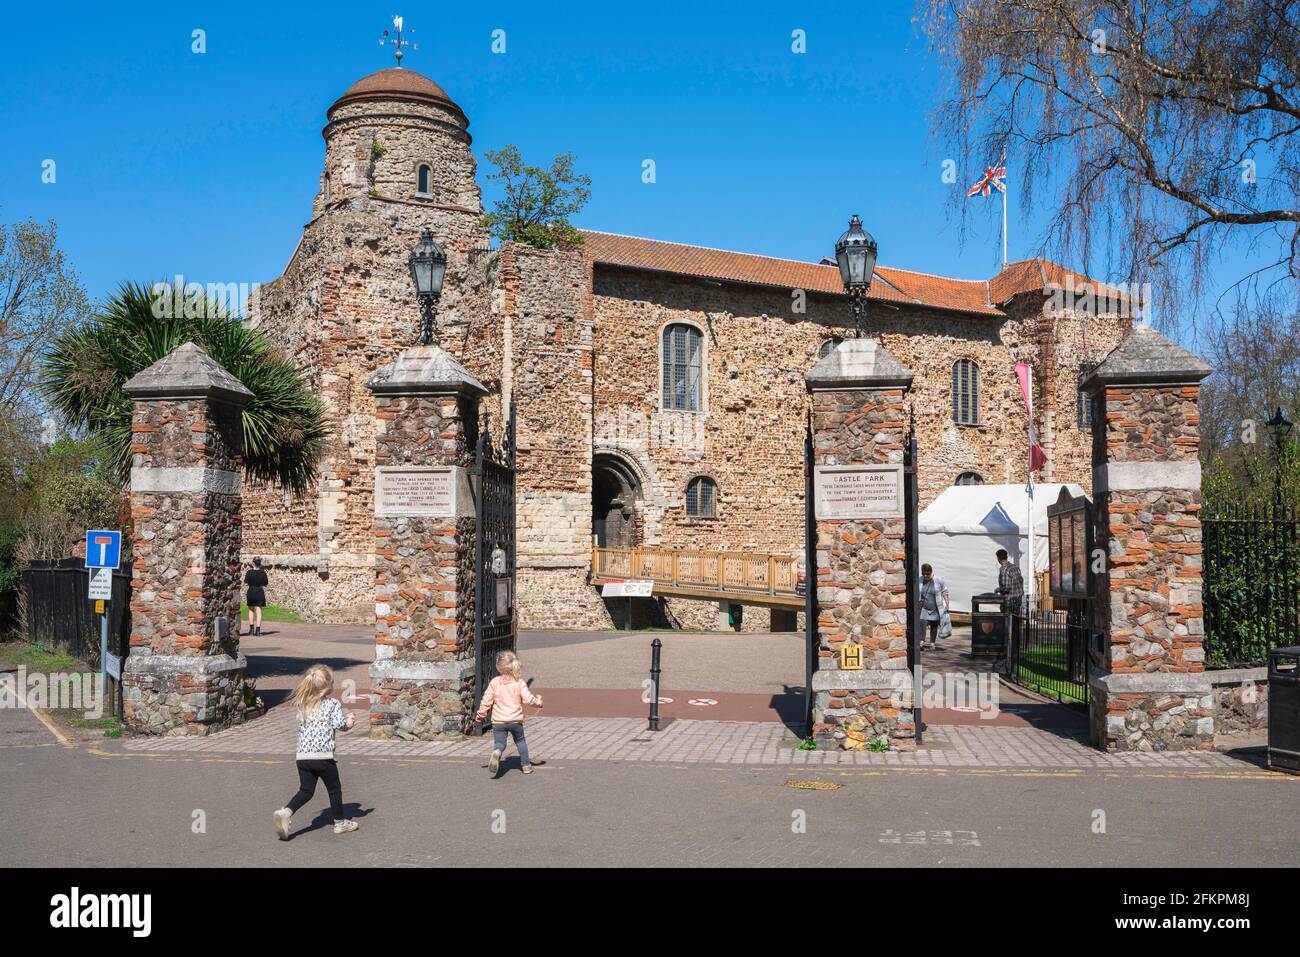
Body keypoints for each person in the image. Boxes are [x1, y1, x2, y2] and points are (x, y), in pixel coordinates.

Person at [274, 664, 358, 839]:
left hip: (303, 757)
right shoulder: (332, 704)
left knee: (306, 790)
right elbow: (340, 725)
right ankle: (340, 823)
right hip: (323, 758)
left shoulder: (303, 703)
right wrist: (349, 721)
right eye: (332, 682)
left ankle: (286, 812)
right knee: (334, 789)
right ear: (327, 686)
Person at [474, 650, 543, 777]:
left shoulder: (495, 682)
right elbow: (528, 699)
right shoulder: (519, 682)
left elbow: (486, 701)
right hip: (515, 721)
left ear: (498, 667)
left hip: (499, 721)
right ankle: (526, 765)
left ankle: (497, 751)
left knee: (500, 743)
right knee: (520, 741)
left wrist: (480, 715)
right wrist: (538, 702)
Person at [918, 563, 949, 652]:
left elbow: (945, 592)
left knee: (934, 625)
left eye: (927, 574)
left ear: (931, 572)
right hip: (924, 607)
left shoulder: (938, 580)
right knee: (922, 624)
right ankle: (921, 643)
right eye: (923, 573)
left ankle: (932, 643)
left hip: (935, 607)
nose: (925, 575)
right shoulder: (920, 580)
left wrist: (947, 604)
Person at [995, 549, 1025, 615]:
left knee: (1007, 622)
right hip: (1018, 599)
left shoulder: (1004, 570)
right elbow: (1021, 581)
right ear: (1006, 557)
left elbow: (1007, 588)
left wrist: (998, 589)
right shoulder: (1015, 567)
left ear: (998, 559)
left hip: (1009, 601)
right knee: (1016, 621)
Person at [244, 557, 268, 636]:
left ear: (253, 563)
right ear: (260, 564)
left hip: (251, 591)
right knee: (259, 611)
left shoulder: (249, 572)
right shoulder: (263, 573)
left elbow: (246, 583)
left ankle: (251, 630)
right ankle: (258, 631)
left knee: (251, 610)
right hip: (259, 592)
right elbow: (265, 584)